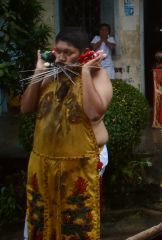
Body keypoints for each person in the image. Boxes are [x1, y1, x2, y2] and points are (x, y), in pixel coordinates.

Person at [21, 29, 113, 239]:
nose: (61, 57)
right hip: (44, 163)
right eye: (58, 51)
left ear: (84, 53)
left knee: (75, 220)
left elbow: (93, 113)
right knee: (41, 218)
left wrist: (86, 73)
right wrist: (37, 71)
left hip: (84, 162)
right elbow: (26, 108)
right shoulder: (49, 75)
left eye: (68, 52)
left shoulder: (99, 76)